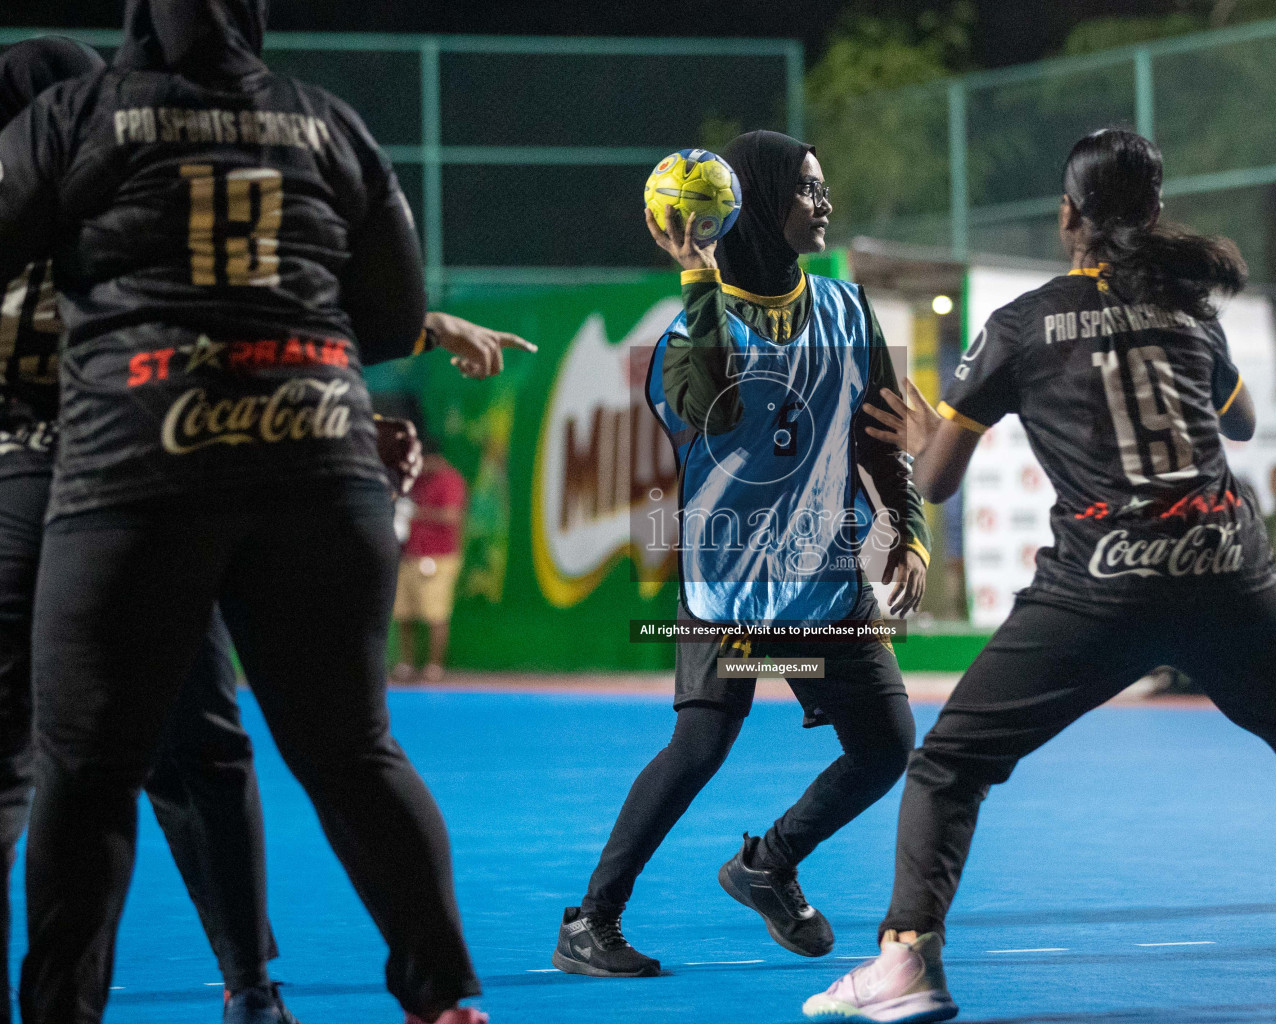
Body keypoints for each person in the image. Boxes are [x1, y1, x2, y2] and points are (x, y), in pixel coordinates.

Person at [800, 129, 1276, 1024]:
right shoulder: (1192, 310)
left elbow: (942, 479)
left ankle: (907, 962)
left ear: (1068, 217)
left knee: (951, 764)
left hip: (1099, 584)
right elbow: (1246, 422)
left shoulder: (1022, 324)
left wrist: (921, 436)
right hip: (1226, 569)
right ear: (1152, 215)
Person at [0, 2, 529, 1020]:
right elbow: (372, 312)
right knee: (346, 750)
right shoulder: (326, 120)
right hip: (310, 458)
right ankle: (432, 993)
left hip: (130, 469)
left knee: (84, 768)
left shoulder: (78, 120)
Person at [553, 131, 929, 977]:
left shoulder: (845, 309)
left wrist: (906, 531)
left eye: (823, 186)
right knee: (700, 748)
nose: (824, 203)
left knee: (886, 745)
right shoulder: (691, 325)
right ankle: (590, 923)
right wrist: (698, 278)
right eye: (806, 189)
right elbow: (710, 410)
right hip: (728, 584)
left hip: (822, 584)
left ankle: (769, 864)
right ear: (757, 203)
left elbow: (880, 438)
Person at [393, 442, 469, 682]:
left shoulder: (450, 480)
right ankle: (406, 664)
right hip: (410, 554)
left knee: (435, 613)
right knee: (404, 613)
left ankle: (434, 666)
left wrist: (416, 513)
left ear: (434, 458)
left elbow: (451, 516)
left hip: (438, 557)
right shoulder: (415, 480)